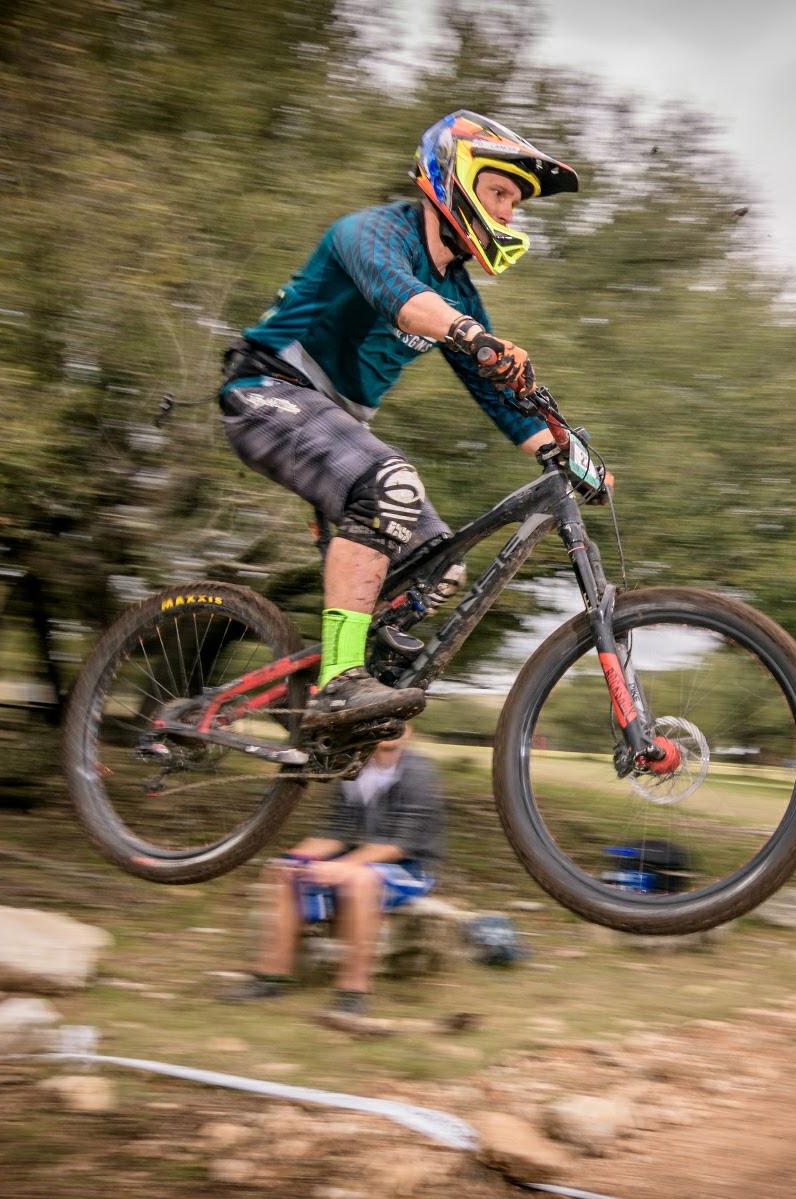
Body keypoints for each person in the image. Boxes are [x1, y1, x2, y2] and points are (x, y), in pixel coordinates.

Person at [216, 109, 596, 730]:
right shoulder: (370, 233)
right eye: (500, 192)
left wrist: (574, 457)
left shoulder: (460, 292)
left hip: (332, 423)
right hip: (265, 390)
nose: (508, 213)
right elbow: (402, 296)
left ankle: (340, 692)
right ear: (454, 178)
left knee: (440, 566)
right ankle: (341, 681)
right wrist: (469, 333)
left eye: (516, 204)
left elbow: (500, 398)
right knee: (390, 485)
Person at [218, 724, 445, 1016]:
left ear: (410, 730)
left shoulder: (418, 773)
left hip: (411, 868)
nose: (392, 731)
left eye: (400, 724)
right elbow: (336, 832)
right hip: (358, 859)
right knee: (285, 871)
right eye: (385, 723)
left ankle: (353, 992)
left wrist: (341, 867)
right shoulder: (352, 768)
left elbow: (401, 844)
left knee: (359, 880)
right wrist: (294, 858)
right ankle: (271, 978)